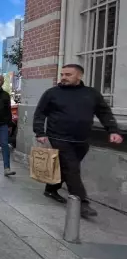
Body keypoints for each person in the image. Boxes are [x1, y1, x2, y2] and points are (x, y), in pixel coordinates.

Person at [33, 64, 122, 217]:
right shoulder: (52, 93)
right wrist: (40, 132)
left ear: (79, 76)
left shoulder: (91, 94)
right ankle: (82, 203)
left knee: (65, 167)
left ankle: (51, 189)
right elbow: (40, 113)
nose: (63, 77)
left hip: (82, 140)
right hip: (58, 137)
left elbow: (104, 112)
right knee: (72, 168)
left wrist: (112, 130)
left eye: (68, 74)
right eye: (62, 74)